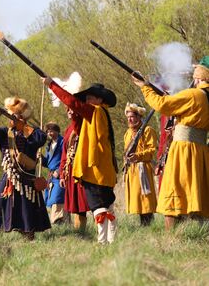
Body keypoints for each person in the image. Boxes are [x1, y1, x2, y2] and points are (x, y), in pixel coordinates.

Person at [132, 56, 209, 230]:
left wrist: (145, 88)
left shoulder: (194, 94)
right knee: (194, 193)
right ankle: (196, 233)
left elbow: (163, 105)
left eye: (196, 75)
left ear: (201, 76)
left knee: (172, 191)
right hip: (200, 150)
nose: (194, 78)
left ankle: (171, 238)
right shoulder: (203, 96)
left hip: (184, 149)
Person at [44, 79, 118, 244]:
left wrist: (51, 85)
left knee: (98, 206)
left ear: (100, 99)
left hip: (95, 169)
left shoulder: (96, 111)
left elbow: (72, 102)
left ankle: (103, 241)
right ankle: (111, 240)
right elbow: (80, 131)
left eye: (91, 97)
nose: (87, 101)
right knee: (107, 205)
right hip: (102, 169)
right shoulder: (98, 114)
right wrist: (75, 116)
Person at [0, 97, 50, 240]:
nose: (11, 118)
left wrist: (24, 127)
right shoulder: (4, 133)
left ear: (22, 117)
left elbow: (41, 139)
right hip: (9, 176)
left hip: (27, 178)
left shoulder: (31, 132)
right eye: (10, 115)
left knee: (27, 211)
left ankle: (28, 234)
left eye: (14, 115)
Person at [123, 103, 158, 226]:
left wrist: (138, 156)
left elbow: (151, 150)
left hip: (143, 169)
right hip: (132, 170)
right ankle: (143, 225)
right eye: (128, 117)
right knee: (137, 200)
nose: (130, 119)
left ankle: (148, 225)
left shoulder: (148, 130)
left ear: (139, 116)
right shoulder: (127, 133)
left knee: (145, 200)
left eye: (132, 116)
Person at [59, 107, 89, 231]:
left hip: (82, 169)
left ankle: (98, 228)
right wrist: (62, 174)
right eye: (68, 110)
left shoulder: (84, 125)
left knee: (84, 201)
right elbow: (64, 154)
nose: (70, 112)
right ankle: (80, 231)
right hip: (70, 170)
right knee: (76, 202)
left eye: (72, 109)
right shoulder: (68, 129)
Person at [42, 122, 66, 224]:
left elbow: (66, 159)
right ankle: (60, 223)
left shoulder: (63, 142)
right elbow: (48, 163)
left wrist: (59, 171)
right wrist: (40, 158)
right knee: (50, 201)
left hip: (60, 175)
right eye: (48, 131)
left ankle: (57, 222)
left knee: (57, 198)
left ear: (57, 131)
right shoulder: (49, 145)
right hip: (51, 176)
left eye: (51, 131)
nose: (49, 133)